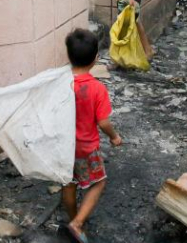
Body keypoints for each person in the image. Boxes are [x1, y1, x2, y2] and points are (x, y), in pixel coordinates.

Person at [62, 29, 122, 243]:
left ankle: (74, 218)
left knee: (68, 183)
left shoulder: (62, 85)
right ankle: (77, 223)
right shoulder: (97, 88)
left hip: (63, 147)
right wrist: (114, 137)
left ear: (68, 56)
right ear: (96, 58)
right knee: (98, 183)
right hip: (86, 148)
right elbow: (103, 121)